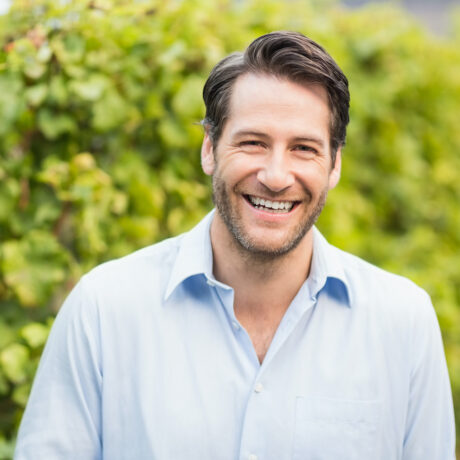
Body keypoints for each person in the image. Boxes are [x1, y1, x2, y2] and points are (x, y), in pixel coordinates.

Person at [15, 31, 455, 460]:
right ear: (210, 148)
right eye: (253, 142)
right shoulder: (103, 310)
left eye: (304, 148)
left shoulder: (404, 323)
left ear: (335, 164)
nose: (276, 176)